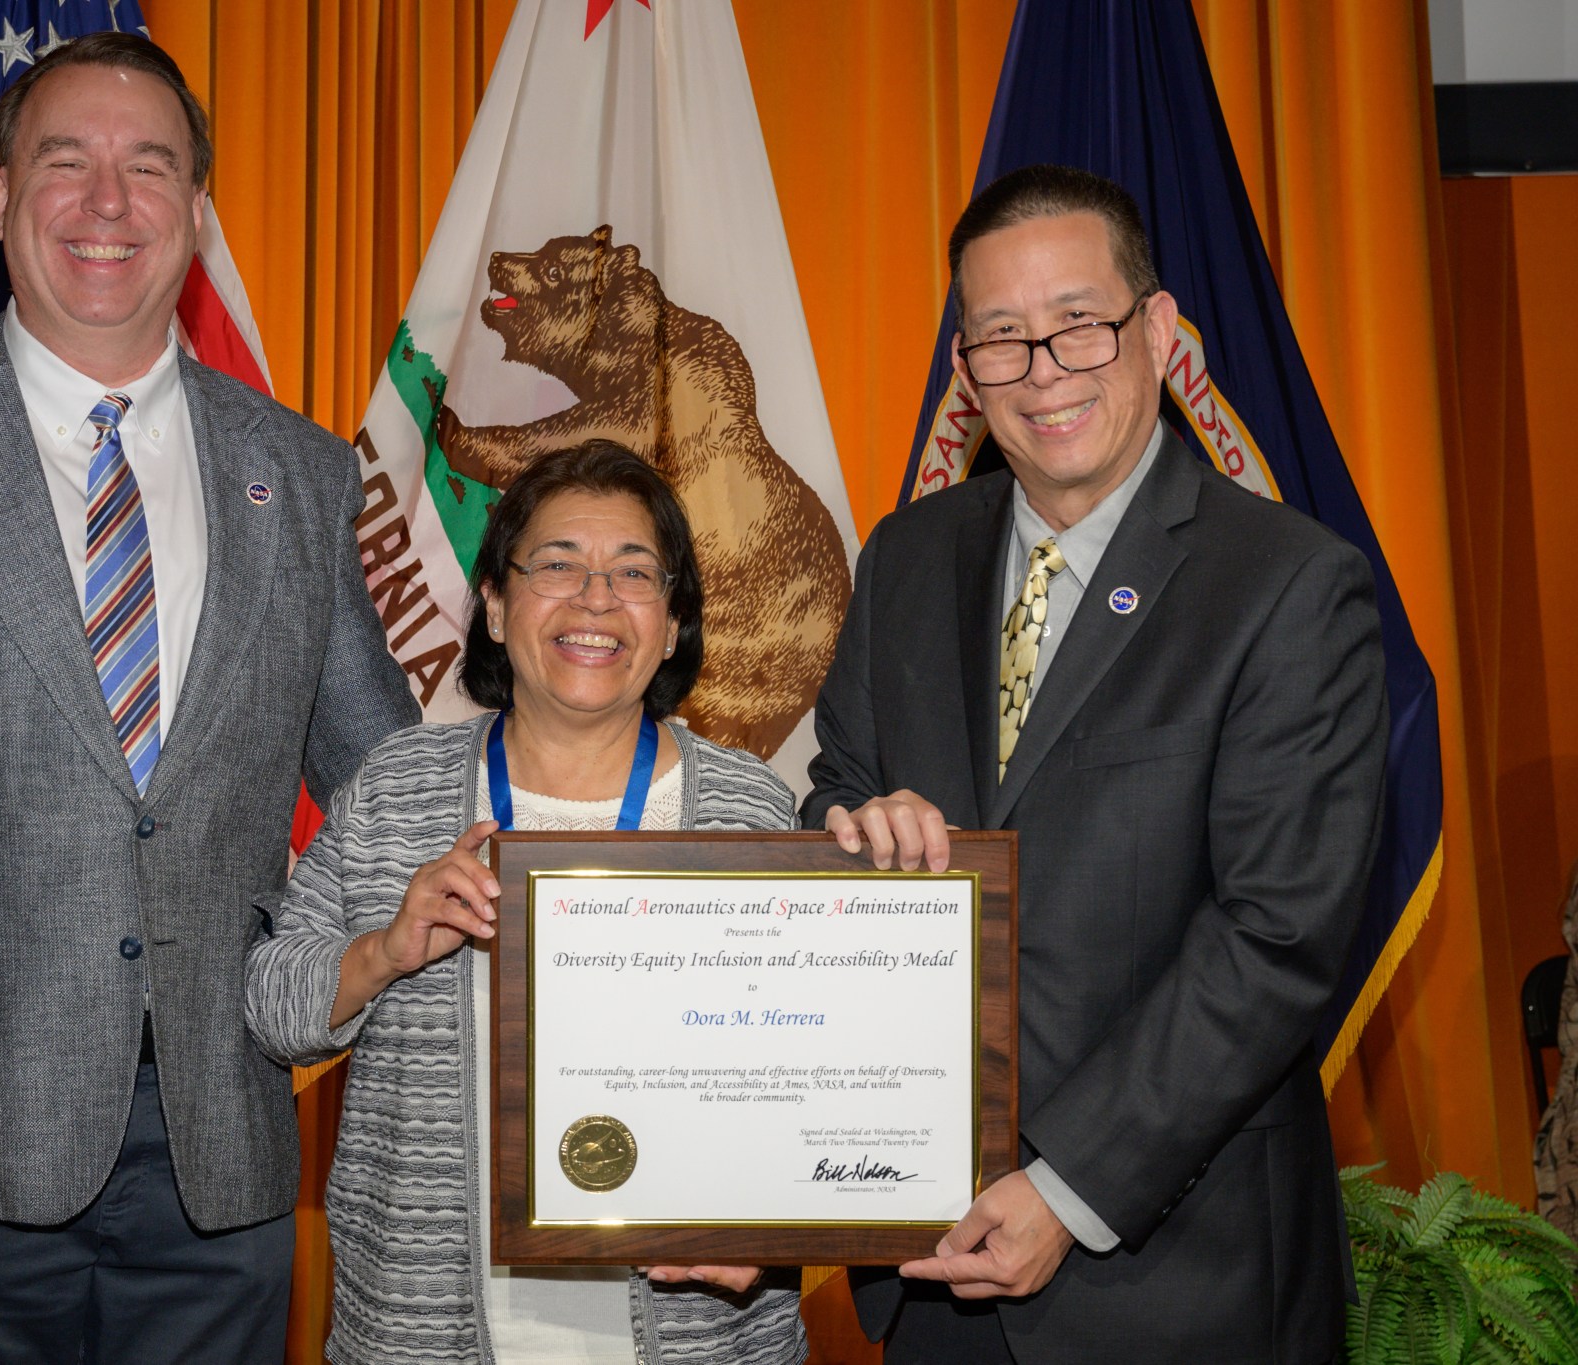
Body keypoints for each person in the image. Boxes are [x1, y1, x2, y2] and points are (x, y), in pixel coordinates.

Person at [0, 33, 418, 1362]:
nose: (110, 202)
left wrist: (619, 814)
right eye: (67, 163)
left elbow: (391, 783)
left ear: (199, 214)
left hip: (223, 1162)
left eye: (149, 166)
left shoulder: (301, 469)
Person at [805, 164, 1387, 1363]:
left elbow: (1277, 935)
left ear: (1159, 333)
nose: (1041, 375)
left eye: (1078, 328)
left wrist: (1067, 1190)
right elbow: (835, 793)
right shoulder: (907, 556)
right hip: (930, 1264)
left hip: (1179, 1274)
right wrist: (854, 827)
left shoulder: (1284, 584)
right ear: (964, 371)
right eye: (1000, 341)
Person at [245, 442, 807, 1364]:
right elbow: (272, 1007)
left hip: (694, 1334)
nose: (595, 597)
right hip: (423, 1327)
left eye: (634, 572)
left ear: (671, 626)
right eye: (556, 564)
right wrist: (384, 949)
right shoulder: (398, 789)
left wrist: (777, 1221)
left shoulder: (750, 812)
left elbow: (813, 1076)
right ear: (498, 609)